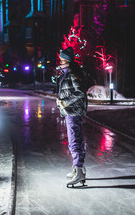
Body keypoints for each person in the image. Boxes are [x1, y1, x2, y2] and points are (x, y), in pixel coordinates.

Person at [56, 47, 88, 187]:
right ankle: (78, 168)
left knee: (74, 141)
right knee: (76, 140)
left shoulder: (72, 74)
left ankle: (79, 171)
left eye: (62, 60)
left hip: (73, 112)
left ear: (68, 61)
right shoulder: (67, 73)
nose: (60, 63)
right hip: (70, 111)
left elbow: (80, 92)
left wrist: (64, 102)